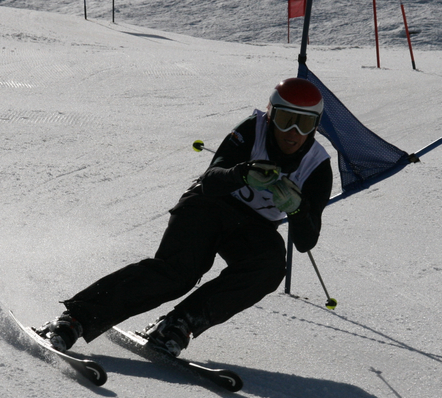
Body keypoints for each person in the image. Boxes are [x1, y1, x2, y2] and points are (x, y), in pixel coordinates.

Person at [38, 77, 333, 357]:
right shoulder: (252, 130)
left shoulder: (317, 167)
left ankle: (179, 324)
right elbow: (212, 180)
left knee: (270, 266)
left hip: (254, 227)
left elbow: (306, 241)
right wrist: (242, 173)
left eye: (305, 123)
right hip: (209, 205)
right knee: (178, 272)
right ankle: (76, 317)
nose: (293, 132)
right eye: (285, 119)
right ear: (270, 116)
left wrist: (297, 208)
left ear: (316, 127)